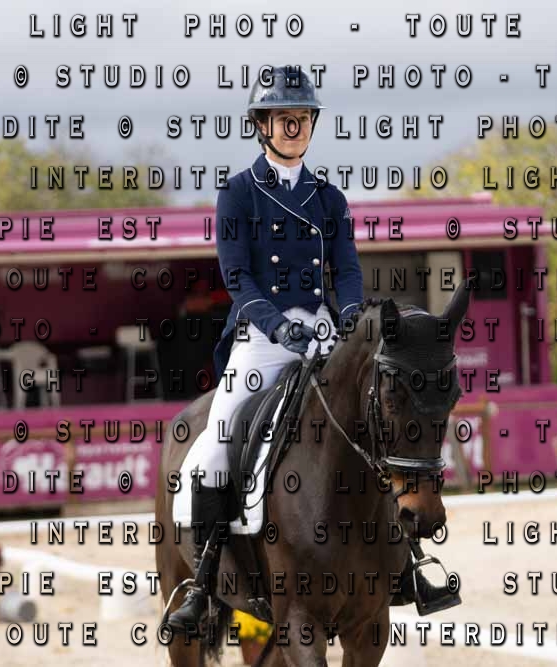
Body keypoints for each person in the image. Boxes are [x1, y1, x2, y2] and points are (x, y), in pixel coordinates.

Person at [167, 66, 457, 634]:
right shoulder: (238, 193)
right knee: (214, 447)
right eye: (284, 118)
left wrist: (348, 316)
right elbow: (237, 278)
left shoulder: (328, 198)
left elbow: (346, 270)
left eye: (302, 118)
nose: (295, 127)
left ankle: (405, 567)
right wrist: (278, 327)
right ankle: (202, 583)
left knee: (375, 424)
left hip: (325, 334)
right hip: (260, 339)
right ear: (263, 125)